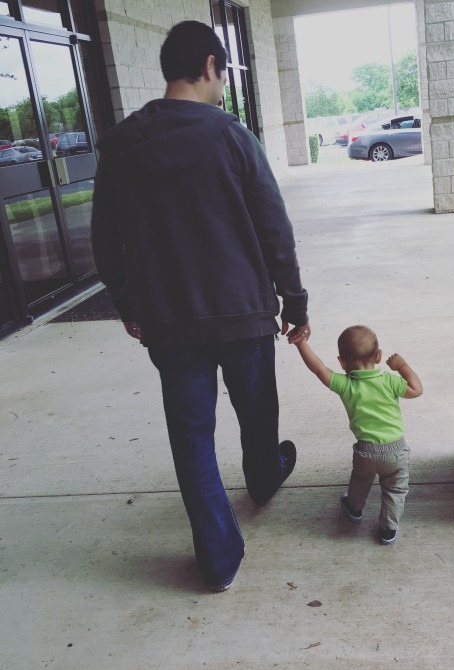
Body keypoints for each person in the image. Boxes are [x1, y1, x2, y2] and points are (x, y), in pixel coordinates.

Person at [91, 20, 309, 592]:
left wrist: (127, 302)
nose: (223, 85)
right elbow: (274, 230)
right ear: (209, 65)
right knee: (257, 410)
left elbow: (104, 240)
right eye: (223, 73)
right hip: (242, 312)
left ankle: (217, 559)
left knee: (192, 438)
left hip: (167, 320)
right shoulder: (230, 135)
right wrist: (295, 299)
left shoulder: (120, 146)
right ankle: (263, 477)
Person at [292, 325, 422, 545]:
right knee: (395, 489)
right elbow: (416, 390)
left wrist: (301, 343)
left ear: (342, 362)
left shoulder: (345, 385)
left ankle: (354, 507)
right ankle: (388, 529)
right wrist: (402, 366)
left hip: (366, 450)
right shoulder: (389, 381)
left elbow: (319, 369)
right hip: (396, 450)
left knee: (361, 479)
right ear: (379, 356)